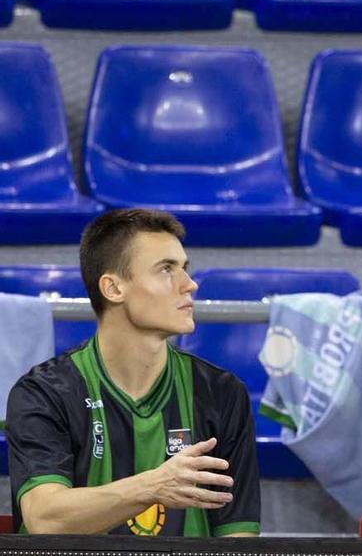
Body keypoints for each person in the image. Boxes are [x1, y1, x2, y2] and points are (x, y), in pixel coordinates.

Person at [6, 209, 260, 536]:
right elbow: (44, 519)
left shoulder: (222, 392)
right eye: (167, 269)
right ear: (113, 289)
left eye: (185, 268)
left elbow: (238, 536)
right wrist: (152, 486)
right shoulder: (44, 392)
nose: (189, 284)